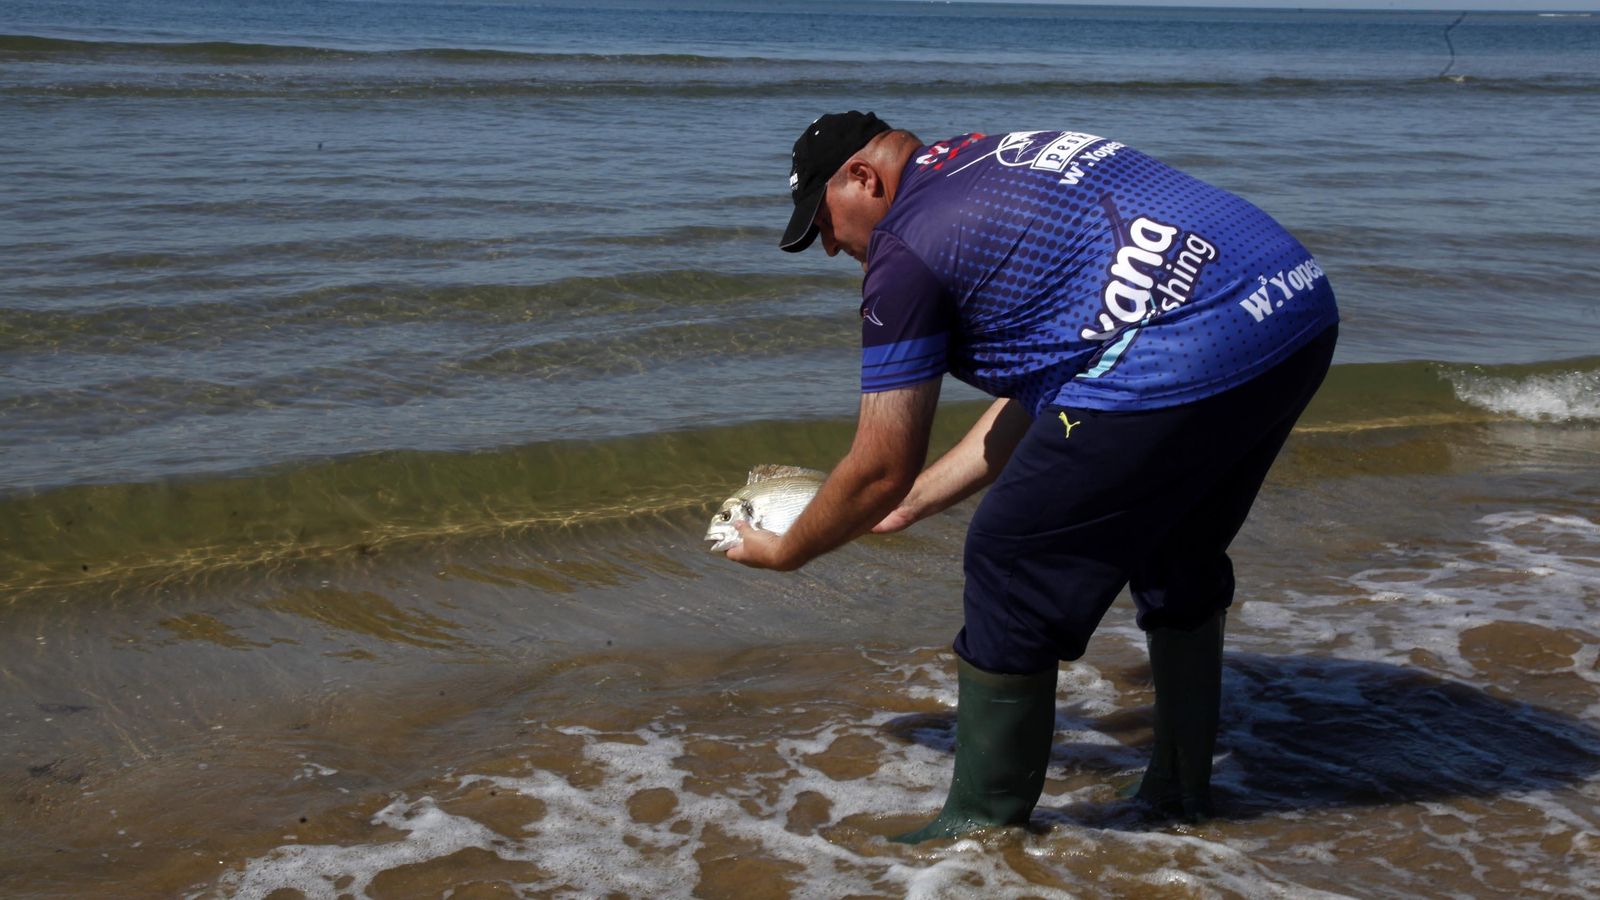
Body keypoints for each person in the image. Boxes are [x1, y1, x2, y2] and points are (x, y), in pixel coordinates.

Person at [726, 111, 1338, 843]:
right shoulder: (988, 161)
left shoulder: (905, 247)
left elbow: (879, 465)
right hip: (1288, 303)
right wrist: (916, 501)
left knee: (1008, 555)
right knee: (1176, 546)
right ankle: (1181, 788)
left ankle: (982, 828)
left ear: (863, 177)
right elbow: (1063, 379)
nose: (829, 246)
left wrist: (787, 550)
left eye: (822, 223)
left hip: (1185, 341)